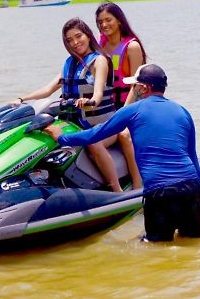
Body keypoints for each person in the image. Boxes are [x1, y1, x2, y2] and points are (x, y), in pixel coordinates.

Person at [45, 64, 200, 242]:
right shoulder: (183, 112)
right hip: (191, 189)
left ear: (145, 88)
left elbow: (95, 134)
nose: (134, 89)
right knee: (194, 244)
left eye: (136, 85)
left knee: (157, 248)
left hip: (160, 192)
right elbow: (193, 157)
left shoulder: (133, 110)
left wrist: (62, 138)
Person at [11, 18, 123, 192]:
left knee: (92, 142)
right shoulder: (70, 64)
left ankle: (116, 190)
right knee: (42, 132)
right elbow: (48, 90)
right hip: (75, 123)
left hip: (104, 125)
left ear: (88, 35)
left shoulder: (99, 61)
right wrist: (21, 99)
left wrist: (90, 101)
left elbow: (98, 93)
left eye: (78, 36)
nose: (75, 43)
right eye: (69, 40)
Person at [95, 1, 146, 189]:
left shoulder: (131, 47)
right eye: (100, 22)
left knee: (124, 136)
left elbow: (136, 84)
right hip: (108, 107)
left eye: (108, 20)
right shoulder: (100, 45)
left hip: (132, 106)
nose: (104, 25)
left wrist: (123, 114)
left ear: (119, 21)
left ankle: (138, 184)